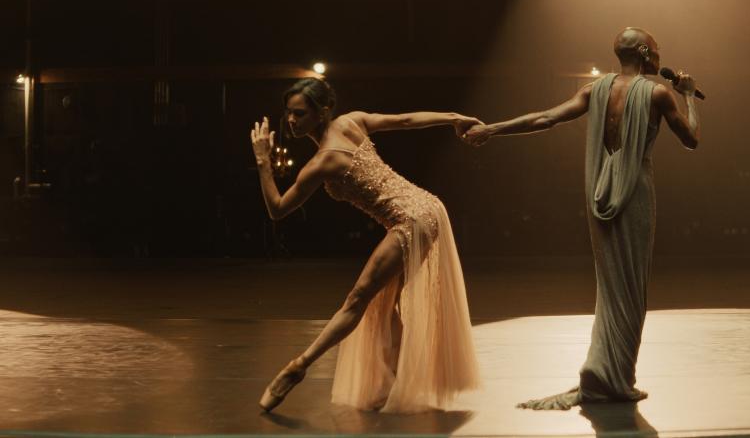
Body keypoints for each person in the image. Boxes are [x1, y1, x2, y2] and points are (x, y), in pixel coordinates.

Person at [464, 27, 701, 410]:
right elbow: (691, 139)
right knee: (631, 286)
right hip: (635, 191)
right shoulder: (659, 93)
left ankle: (606, 374)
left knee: (611, 284)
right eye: (656, 49)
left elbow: (546, 118)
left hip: (601, 189)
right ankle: (615, 378)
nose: (660, 55)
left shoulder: (596, 91)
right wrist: (689, 96)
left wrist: (493, 129)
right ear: (644, 52)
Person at [251, 77, 481, 413]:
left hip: (412, 219)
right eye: (288, 114)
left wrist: (262, 162)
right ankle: (394, 382)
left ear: (322, 112)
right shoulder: (351, 123)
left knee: (358, 299)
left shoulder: (325, 160)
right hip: (428, 208)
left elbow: (277, 209)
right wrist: (453, 117)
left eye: (299, 114)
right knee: (383, 304)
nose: (291, 121)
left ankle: (297, 366)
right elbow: (403, 121)